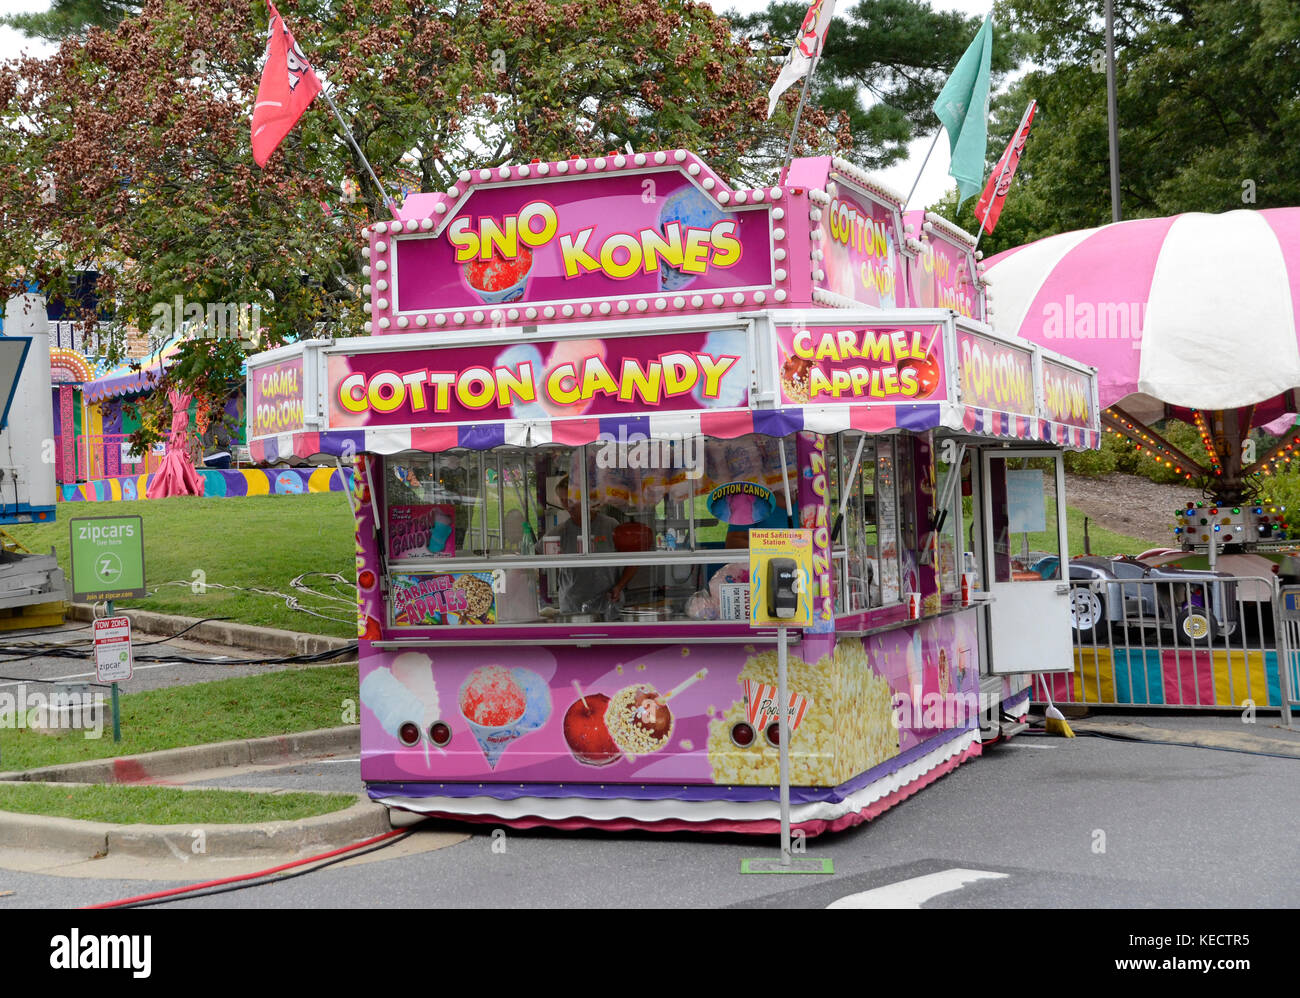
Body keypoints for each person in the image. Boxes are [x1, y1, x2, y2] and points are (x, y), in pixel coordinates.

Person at [554, 476, 637, 617]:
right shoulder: (561, 531)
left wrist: (619, 586)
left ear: (585, 499)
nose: (567, 505)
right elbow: (536, 555)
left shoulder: (610, 526)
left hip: (607, 606)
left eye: (570, 500)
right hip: (572, 609)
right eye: (562, 500)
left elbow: (634, 560)